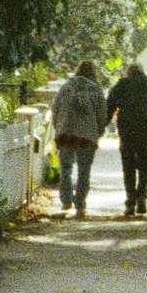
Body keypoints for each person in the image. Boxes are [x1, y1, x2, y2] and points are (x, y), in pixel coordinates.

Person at [105, 61, 147, 217]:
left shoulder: (122, 84)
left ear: (128, 72)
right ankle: (142, 195)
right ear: (142, 72)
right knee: (144, 164)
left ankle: (130, 200)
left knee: (128, 165)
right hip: (144, 130)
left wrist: (102, 125)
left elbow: (110, 104)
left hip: (126, 130)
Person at [50, 61, 107, 217]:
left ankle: (66, 200)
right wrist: (99, 130)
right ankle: (80, 204)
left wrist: (58, 127)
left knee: (66, 168)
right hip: (86, 135)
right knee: (84, 169)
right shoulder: (95, 89)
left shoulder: (66, 87)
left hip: (66, 133)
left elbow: (55, 109)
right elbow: (102, 113)